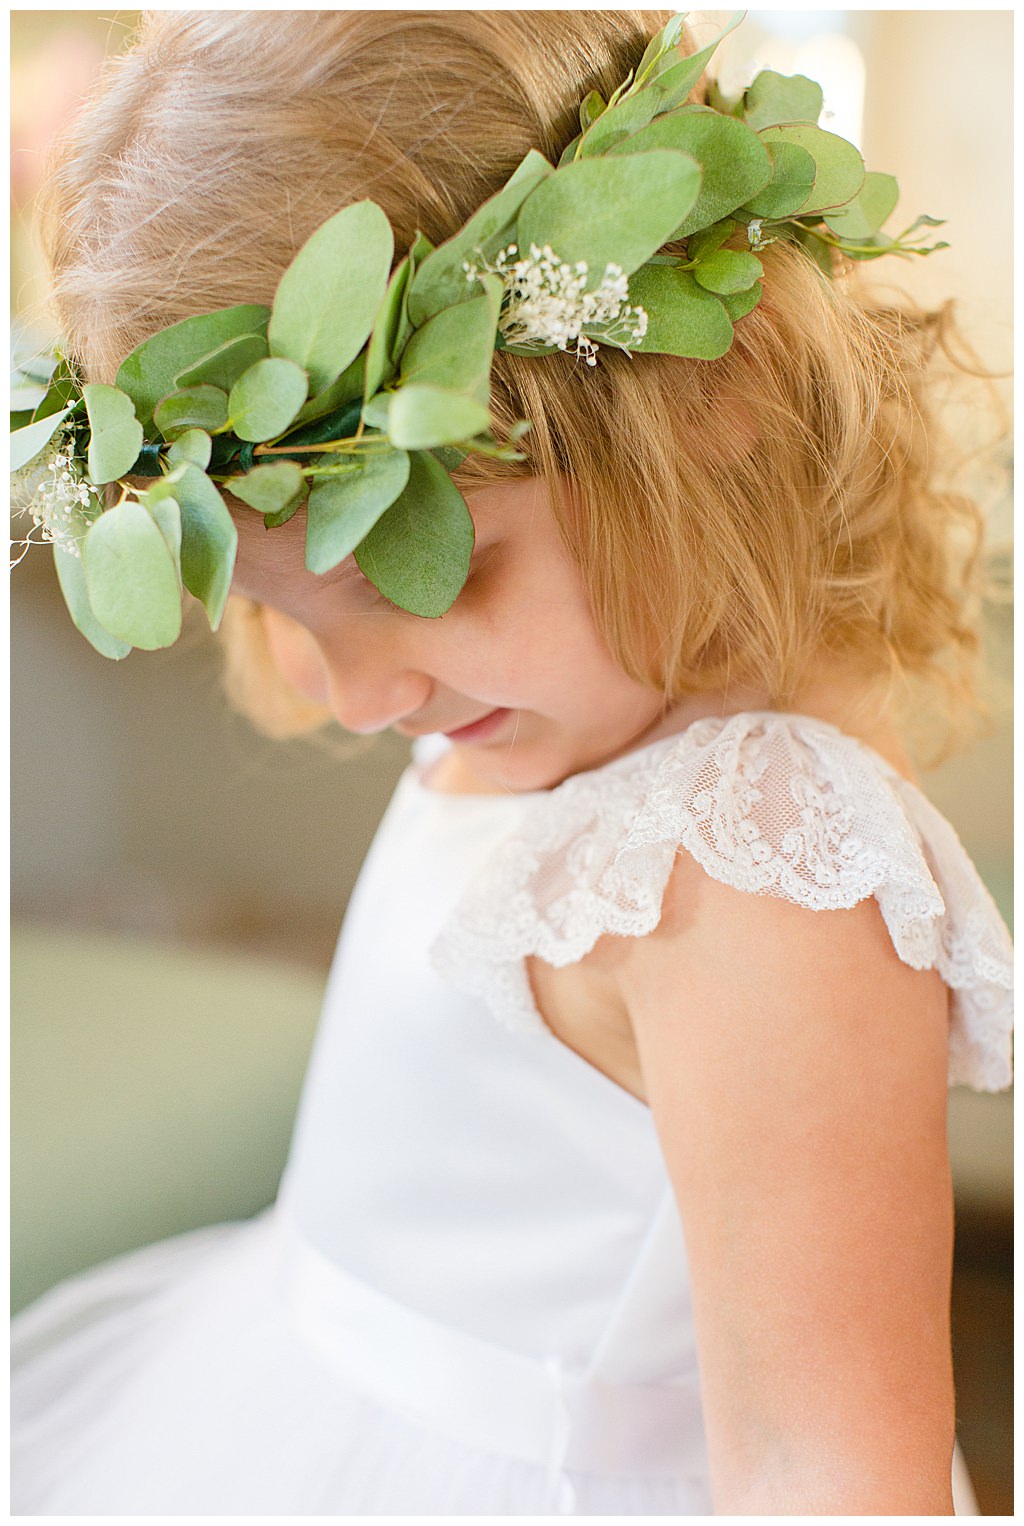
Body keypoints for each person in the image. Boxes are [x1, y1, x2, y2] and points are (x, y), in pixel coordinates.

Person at [10, 9, 1012, 1516]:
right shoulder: (560, 714)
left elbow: (828, 1470)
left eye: (426, 576)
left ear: (704, 398)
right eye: (288, 612)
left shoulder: (762, 866)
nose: (358, 697)